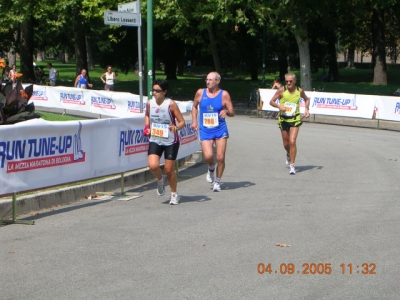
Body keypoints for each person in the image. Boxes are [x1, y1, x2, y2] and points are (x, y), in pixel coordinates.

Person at [191, 72, 235, 192]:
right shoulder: (200, 92)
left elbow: (232, 111)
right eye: (207, 79)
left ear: (217, 81)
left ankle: (218, 181)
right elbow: (194, 106)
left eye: (210, 80)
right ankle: (211, 168)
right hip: (205, 129)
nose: (208, 82)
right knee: (209, 156)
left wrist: (226, 111)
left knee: (220, 158)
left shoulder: (224, 94)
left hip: (220, 129)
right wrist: (194, 121)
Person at [144, 79, 185, 205]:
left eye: (157, 91)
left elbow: (182, 122)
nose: (154, 93)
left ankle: (174, 194)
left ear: (165, 91)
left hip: (170, 140)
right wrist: (147, 127)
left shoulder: (171, 104)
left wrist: (176, 128)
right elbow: (147, 115)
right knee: (153, 166)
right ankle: (160, 180)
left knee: (168, 170)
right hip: (155, 138)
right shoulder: (150, 103)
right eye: (153, 90)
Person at [269, 73, 310, 175]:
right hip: (283, 119)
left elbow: (307, 99)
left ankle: (292, 165)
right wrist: (279, 107)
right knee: (286, 143)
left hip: (295, 119)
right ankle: (288, 153)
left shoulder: (299, 91)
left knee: (292, 142)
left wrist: (306, 109)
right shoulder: (282, 90)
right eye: (287, 81)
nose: (288, 83)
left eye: (290, 81)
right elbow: (271, 101)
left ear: (295, 81)